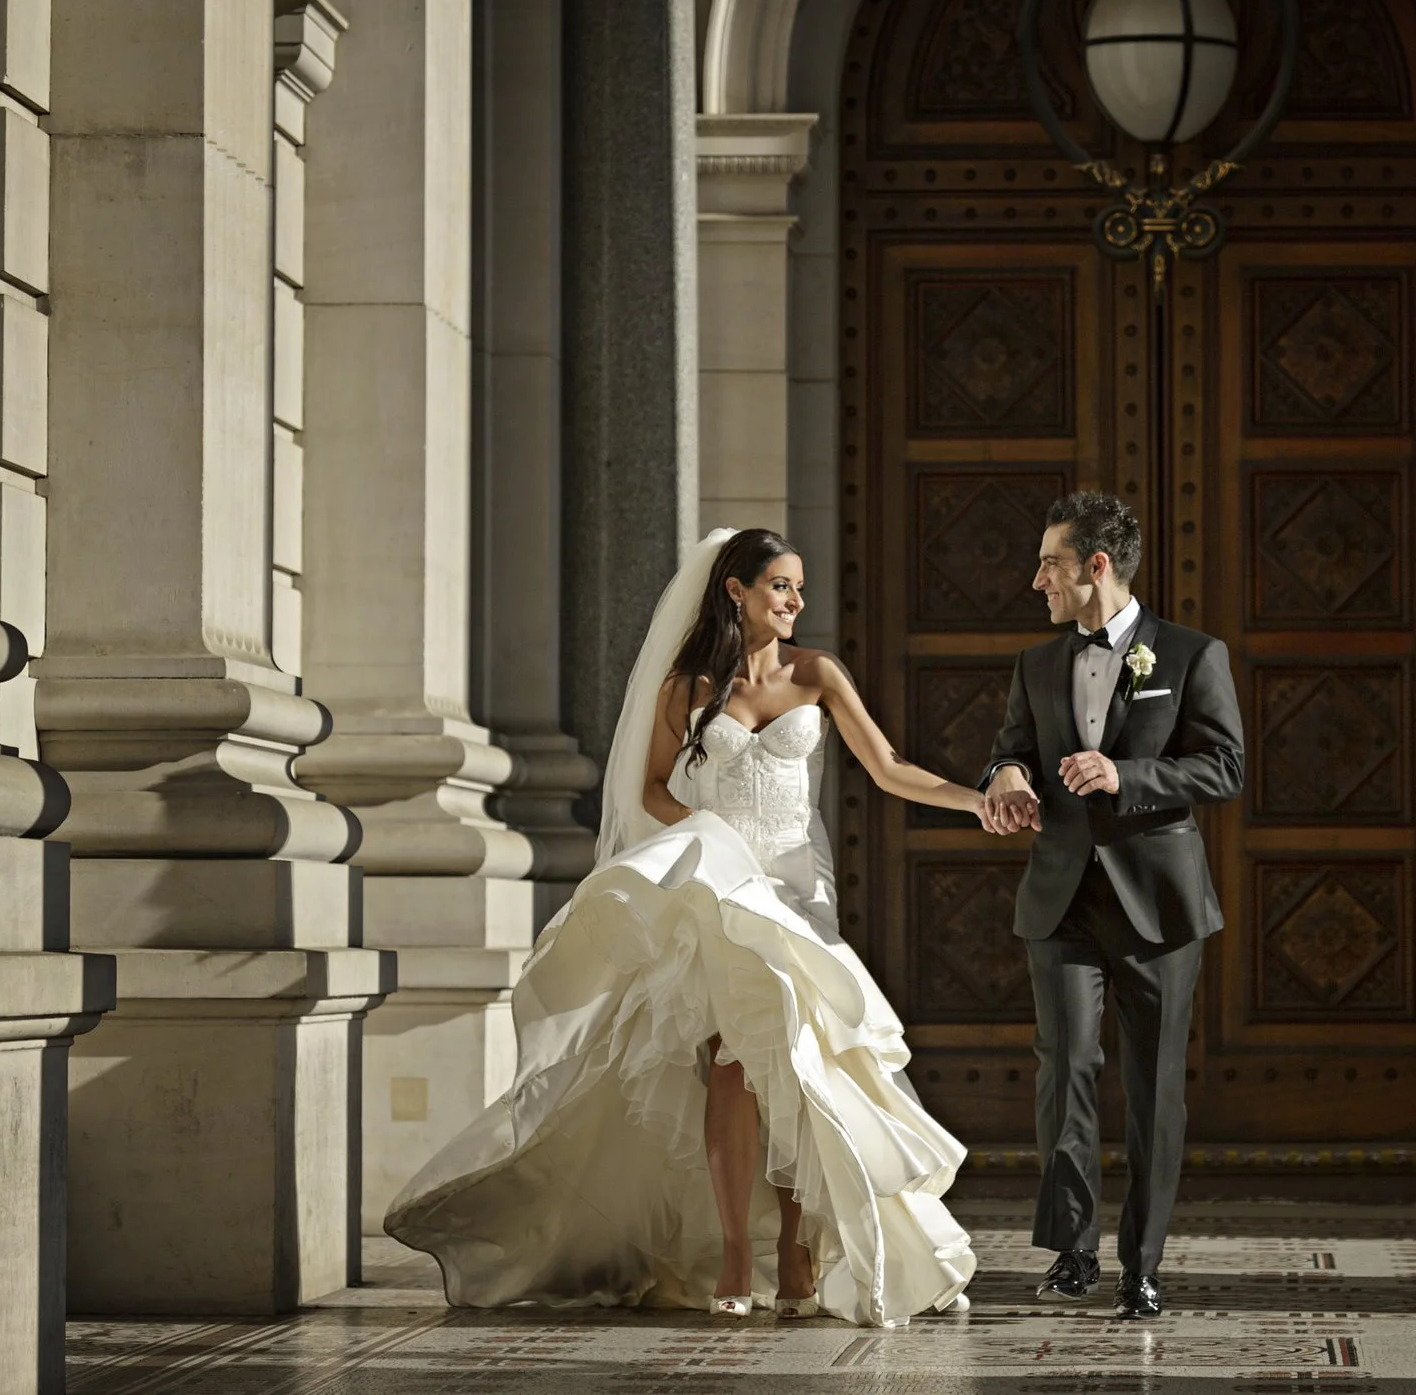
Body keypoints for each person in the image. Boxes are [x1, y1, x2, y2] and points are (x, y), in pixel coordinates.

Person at [386, 528, 979, 1325]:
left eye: (799, 587)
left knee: (800, 1067)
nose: (796, 601)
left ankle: (797, 1253)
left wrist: (976, 800)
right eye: (780, 585)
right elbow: (652, 792)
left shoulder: (818, 674)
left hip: (798, 891)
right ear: (735, 590)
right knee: (732, 1066)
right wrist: (709, 839)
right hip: (718, 887)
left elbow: (890, 767)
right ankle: (738, 1252)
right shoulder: (686, 686)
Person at [976, 491, 1245, 1320]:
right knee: (1066, 1068)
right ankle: (1072, 1249)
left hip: (1159, 904)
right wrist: (1009, 779)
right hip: (1061, 897)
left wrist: (1130, 775)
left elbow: (1225, 766)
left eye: (1050, 563)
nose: (1036, 580)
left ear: (1096, 566)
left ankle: (1143, 1264)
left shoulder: (1194, 655)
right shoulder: (1036, 662)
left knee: (1155, 1081)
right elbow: (1009, 751)